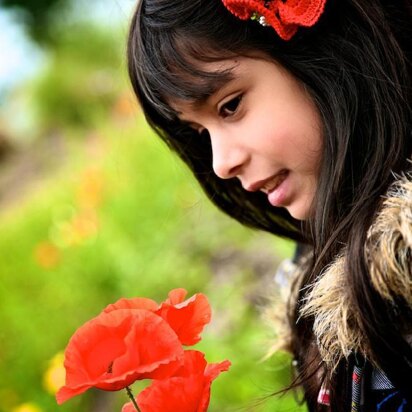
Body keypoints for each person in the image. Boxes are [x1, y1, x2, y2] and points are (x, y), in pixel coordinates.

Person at [126, 0, 412, 410]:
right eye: (200, 132)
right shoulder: (327, 258)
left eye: (230, 106)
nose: (220, 163)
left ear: (323, 53)